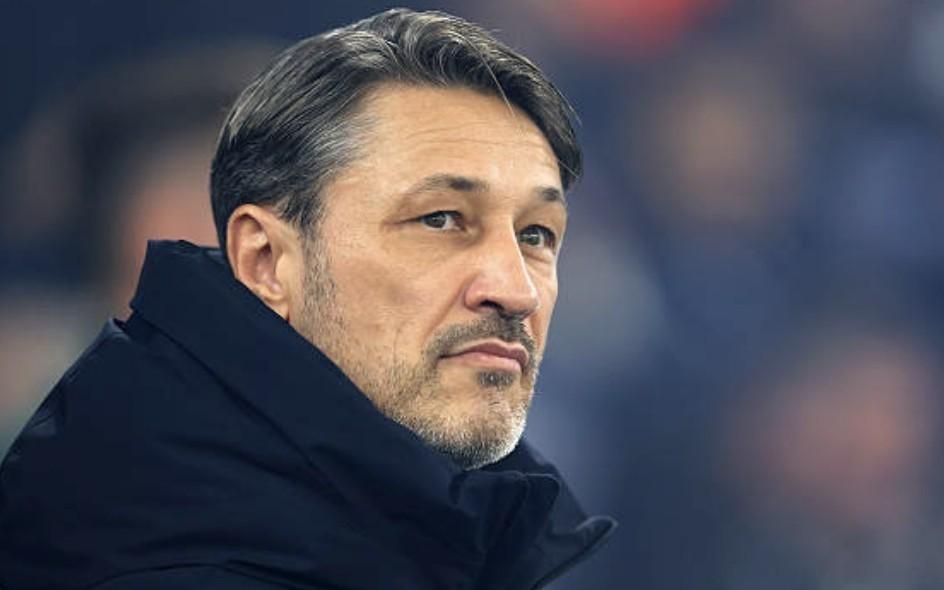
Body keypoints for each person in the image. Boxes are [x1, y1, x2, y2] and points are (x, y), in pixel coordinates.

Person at [0, 8, 616, 590]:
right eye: (438, 219)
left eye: (537, 234)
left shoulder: (485, 503)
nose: (516, 289)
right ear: (264, 257)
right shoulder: (128, 528)